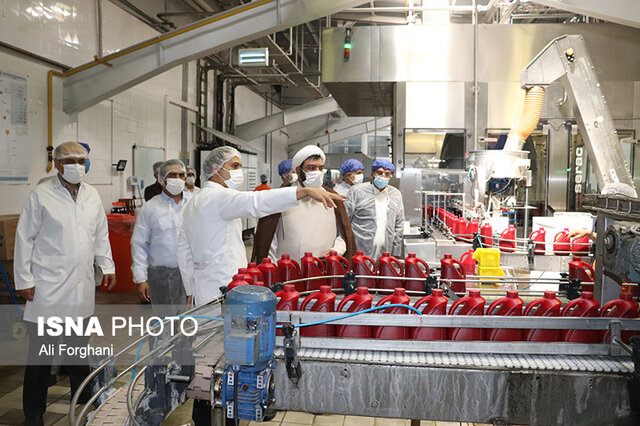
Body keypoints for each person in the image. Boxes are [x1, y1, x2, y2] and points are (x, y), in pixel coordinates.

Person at [13, 141, 116, 426]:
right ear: (57, 164)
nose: (77, 166)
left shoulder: (92, 195)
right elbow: (25, 239)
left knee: (78, 352)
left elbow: (100, 235)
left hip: (81, 286)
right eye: (70, 161)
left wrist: (107, 266)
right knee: (40, 357)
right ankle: (34, 413)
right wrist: (24, 280)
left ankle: (82, 405)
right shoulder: (41, 195)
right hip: (47, 287)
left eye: (82, 161)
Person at [177, 145, 344, 307]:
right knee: (226, 333)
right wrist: (304, 192)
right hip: (225, 286)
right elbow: (256, 201)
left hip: (202, 288)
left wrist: (190, 290)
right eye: (234, 166)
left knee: (208, 332)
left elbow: (183, 251)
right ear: (216, 168)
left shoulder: (194, 202)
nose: (239, 171)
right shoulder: (218, 197)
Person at [251, 145, 357, 263]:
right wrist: (274, 270)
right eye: (311, 168)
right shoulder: (282, 197)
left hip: (324, 270)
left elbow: (343, 235)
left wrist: (336, 250)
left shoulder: (332, 196)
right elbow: (269, 241)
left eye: (320, 168)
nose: (317, 173)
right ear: (298, 170)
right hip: (288, 271)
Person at [131, 159, 192, 315]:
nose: (178, 179)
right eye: (172, 175)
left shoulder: (194, 204)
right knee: (163, 323)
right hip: (160, 276)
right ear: (162, 179)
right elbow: (139, 244)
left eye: (181, 175)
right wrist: (141, 279)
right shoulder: (151, 207)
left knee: (190, 322)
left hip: (191, 273)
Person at [345, 159, 405, 259]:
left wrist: (396, 252)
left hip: (386, 251)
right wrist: (346, 248)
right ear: (373, 173)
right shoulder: (357, 191)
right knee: (361, 273)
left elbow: (399, 224)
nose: (383, 177)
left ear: (391, 176)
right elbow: (345, 221)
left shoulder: (396, 194)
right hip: (359, 251)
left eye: (387, 174)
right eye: (379, 173)